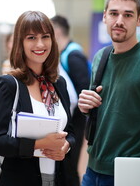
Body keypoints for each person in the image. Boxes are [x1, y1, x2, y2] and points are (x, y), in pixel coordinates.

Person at [78, 0, 140, 186]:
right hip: (93, 169)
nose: (119, 21)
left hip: (131, 173)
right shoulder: (100, 58)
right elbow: (103, 113)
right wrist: (85, 107)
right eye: (114, 13)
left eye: (128, 15)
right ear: (105, 17)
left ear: (139, 19)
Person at [0, 11, 76, 186]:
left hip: (57, 177)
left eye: (45, 36)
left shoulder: (58, 83)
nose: (40, 44)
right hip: (19, 178)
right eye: (31, 37)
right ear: (20, 42)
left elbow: (70, 131)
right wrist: (40, 144)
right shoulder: (8, 85)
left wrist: (65, 146)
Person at [51, 15, 90, 186]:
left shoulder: (73, 55)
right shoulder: (66, 53)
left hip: (76, 120)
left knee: (69, 167)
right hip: (70, 120)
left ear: (57, 32)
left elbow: (84, 91)